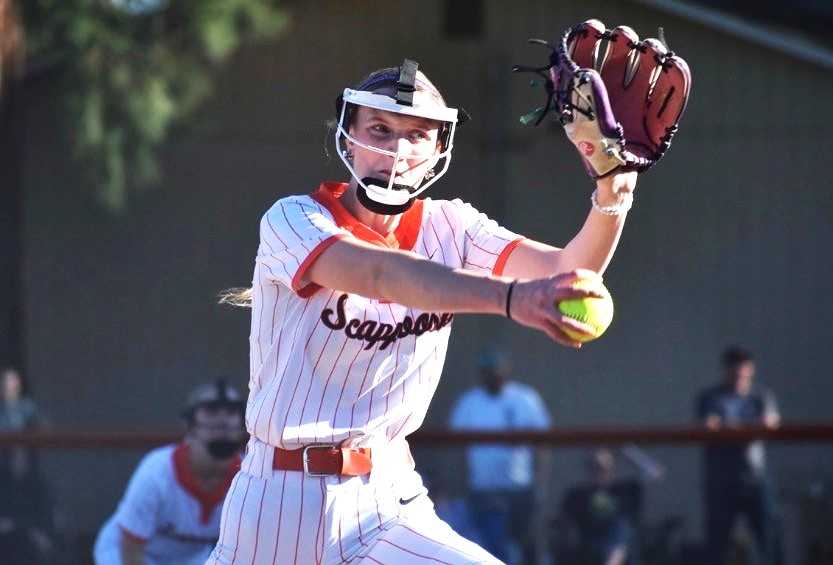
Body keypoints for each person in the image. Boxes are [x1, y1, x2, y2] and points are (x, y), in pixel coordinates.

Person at [209, 58, 639, 564]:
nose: (398, 149)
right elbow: (380, 273)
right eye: (380, 129)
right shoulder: (293, 217)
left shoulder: (452, 225)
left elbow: (568, 273)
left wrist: (613, 193)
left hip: (386, 498)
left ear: (439, 149)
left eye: (417, 135)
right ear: (348, 136)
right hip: (281, 498)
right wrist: (509, 298)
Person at [94, 380, 246, 565]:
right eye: (211, 411)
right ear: (190, 425)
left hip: (191, 558)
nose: (222, 420)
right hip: (130, 552)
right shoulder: (157, 471)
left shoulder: (249, 476)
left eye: (231, 412)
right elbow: (131, 548)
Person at [449, 350, 551, 564]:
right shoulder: (469, 403)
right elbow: (459, 450)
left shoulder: (525, 398)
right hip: (484, 491)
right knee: (492, 548)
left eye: (496, 370)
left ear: (506, 370)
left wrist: (540, 485)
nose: (493, 375)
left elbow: (542, 445)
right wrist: (462, 486)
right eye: (488, 371)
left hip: (520, 489)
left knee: (526, 546)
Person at [696, 346, 781, 565]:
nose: (739, 378)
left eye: (743, 373)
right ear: (725, 371)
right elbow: (710, 427)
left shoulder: (761, 396)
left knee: (769, 539)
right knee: (718, 544)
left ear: (751, 370)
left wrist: (730, 428)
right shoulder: (710, 397)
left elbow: (770, 425)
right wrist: (748, 429)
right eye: (734, 373)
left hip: (756, 479)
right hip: (722, 481)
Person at [558, 447, 664, 565]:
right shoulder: (577, 495)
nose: (598, 472)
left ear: (612, 468)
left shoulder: (626, 489)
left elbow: (654, 472)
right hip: (591, 551)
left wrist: (624, 449)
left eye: (603, 468)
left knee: (621, 525)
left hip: (623, 550)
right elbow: (565, 526)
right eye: (594, 467)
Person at [0, 367, 44, 431]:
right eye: (10, 380)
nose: (14, 383)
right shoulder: (1, 407)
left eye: (15, 380)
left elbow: (41, 427)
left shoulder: (28, 406)